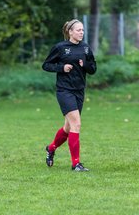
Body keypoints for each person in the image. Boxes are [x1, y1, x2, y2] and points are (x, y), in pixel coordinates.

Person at [42, 19, 97, 172]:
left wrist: (84, 65)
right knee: (76, 124)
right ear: (70, 32)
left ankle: (51, 148)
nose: (81, 33)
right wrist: (61, 67)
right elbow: (46, 65)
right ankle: (76, 164)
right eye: (78, 30)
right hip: (64, 91)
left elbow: (93, 68)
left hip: (79, 91)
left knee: (68, 127)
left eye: (83, 30)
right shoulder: (60, 48)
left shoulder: (86, 48)